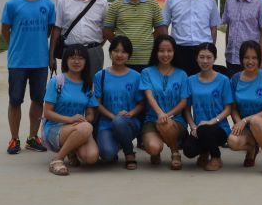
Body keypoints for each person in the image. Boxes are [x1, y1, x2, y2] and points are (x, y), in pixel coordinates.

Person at [0, 0, 56, 155]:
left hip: (40, 62)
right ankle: (14, 138)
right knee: (15, 100)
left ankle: (32, 138)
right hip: (18, 62)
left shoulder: (48, 5)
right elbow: (5, 30)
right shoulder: (12, 4)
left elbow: (49, 30)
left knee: (38, 100)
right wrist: (16, 46)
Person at [227, 41, 262, 176]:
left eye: (254, 58)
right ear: (241, 59)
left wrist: (245, 120)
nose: (250, 61)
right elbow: (233, 108)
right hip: (246, 128)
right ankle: (252, 149)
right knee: (232, 141)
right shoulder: (235, 79)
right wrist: (239, 122)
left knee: (256, 121)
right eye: (246, 57)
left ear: (259, 59)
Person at [43, 44, 100, 176]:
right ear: (66, 60)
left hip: (78, 127)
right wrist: (70, 119)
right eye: (72, 58)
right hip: (55, 128)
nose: (76, 61)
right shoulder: (57, 82)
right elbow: (47, 112)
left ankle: (71, 150)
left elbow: (90, 114)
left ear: (86, 61)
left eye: (80, 58)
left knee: (91, 157)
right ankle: (57, 159)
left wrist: (84, 120)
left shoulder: (88, 85)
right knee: (86, 128)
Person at [103, 0, 167, 73]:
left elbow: (160, 30)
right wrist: (120, 46)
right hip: (122, 60)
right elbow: (107, 31)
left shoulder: (153, 4)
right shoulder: (115, 6)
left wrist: (148, 42)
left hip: (147, 59)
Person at [50, 0, 108, 81]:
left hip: (93, 52)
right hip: (70, 52)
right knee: (69, 85)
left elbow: (106, 29)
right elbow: (57, 29)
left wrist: (96, 46)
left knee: (93, 86)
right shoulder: (63, 1)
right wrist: (51, 56)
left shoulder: (102, 2)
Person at [94, 36, 145, 169]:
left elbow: (141, 103)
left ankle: (129, 152)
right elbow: (97, 104)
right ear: (110, 52)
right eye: (116, 51)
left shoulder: (136, 76)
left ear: (129, 55)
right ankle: (119, 142)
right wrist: (113, 117)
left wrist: (130, 113)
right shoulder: (100, 75)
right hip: (106, 123)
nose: (119, 55)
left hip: (129, 122)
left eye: (123, 52)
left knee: (119, 123)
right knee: (107, 154)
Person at [162, 0, 220, 77]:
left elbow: (213, 28)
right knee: (180, 82)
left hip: (203, 51)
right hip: (179, 50)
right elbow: (164, 25)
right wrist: (168, 48)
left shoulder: (210, 0)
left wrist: (210, 49)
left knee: (202, 82)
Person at [139, 34, 189, 170]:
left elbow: (183, 102)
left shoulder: (182, 74)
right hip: (152, 119)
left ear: (174, 52)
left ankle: (175, 152)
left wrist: (167, 115)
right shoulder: (147, 72)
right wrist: (160, 113)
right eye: (161, 51)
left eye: (169, 51)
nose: (165, 54)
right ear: (156, 52)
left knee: (166, 124)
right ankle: (156, 152)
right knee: (154, 148)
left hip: (176, 121)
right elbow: (149, 95)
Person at [183, 43, 233, 171]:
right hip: (198, 128)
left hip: (219, 128)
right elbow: (187, 109)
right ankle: (204, 152)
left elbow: (228, 108)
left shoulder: (223, 80)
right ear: (196, 58)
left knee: (205, 130)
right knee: (188, 150)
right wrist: (193, 126)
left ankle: (216, 157)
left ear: (214, 58)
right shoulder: (190, 80)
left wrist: (211, 122)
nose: (205, 61)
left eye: (209, 57)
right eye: (202, 57)